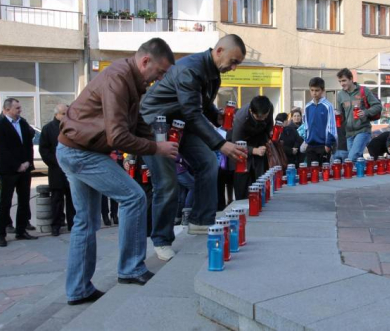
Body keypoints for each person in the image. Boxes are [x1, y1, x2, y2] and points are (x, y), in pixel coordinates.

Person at [56, 38, 178, 305]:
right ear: (145, 61)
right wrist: (157, 149)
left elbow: (135, 125)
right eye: (159, 73)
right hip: (81, 153)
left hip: (76, 150)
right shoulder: (118, 78)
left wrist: (158, 144)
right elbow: (118, 137)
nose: (159, 79)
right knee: (134, 197)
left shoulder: (131, 80)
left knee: (85, 222)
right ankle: (131, 269)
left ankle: (78, 290)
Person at [140, 35, 247, 259]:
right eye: (233, 61)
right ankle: (161, 240)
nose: (234, 68)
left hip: (181, 122)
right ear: (219, 51)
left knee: (208, 162)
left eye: (238, 63)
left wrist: (216, 116)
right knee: (167, 181)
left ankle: (200, 220)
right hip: (156, 123)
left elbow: (202, 104)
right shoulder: (190, 68)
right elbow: (192, 111)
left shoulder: (213, 72)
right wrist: (221, 144)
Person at [0, 98, 37, 247]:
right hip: (8, 171)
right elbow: (2, 150)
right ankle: (1, 234)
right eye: (17, 108)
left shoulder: (22, 123)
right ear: (7, 109)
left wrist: (28, 162)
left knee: (24, 200)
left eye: (20, 107)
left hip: (25, 169)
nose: (20, 110)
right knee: (5, 202)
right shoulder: (1, 124)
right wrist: (17, 165)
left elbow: (28, 144)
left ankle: (21, 230)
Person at [39, 104, 75, 237]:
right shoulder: (48, 128)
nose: (66, 116)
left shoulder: (72, 126)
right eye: (64, 113)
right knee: (57, 199)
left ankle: (73, 224)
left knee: (72, 198)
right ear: (57, 115)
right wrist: (57, 162)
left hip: (71, 170)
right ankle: (56, 225)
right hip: (56, 170)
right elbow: (44, 150)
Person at [232, 96, 274, 200]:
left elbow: (269, 124)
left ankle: (261, 201)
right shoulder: (240, 118)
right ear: (251, 111)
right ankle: (242, 204)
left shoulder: (269, 108)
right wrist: (254, 150)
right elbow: (236, 143)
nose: (262, 119)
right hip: (242, 147)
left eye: (265, 116)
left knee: (261, 178)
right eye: (259, 117)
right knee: (242, 182)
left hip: (260, 142)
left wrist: (269, 138)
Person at [336, 68, 382, 161]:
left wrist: (365, 112)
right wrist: (336, 114)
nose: (342, 84)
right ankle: (369, 169)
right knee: (357, 160)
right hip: (349, 133)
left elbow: (378, 106)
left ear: (351, 79)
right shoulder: (340, 95)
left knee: (351, 158)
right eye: (340, 81)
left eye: (344, 80)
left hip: (363, 130)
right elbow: (341, 115)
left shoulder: (363, 91)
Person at [303, 77, 337, 166]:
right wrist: (306, 141)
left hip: (323, 146)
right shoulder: (307, 106)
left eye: (317, 90)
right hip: (310, 146)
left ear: (323, 90)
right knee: (311, 174)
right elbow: (306, 126)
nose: (314, 93)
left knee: (323, 175)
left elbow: (332, 127)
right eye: (312, 90)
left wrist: (328, 145)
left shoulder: (328, 106)